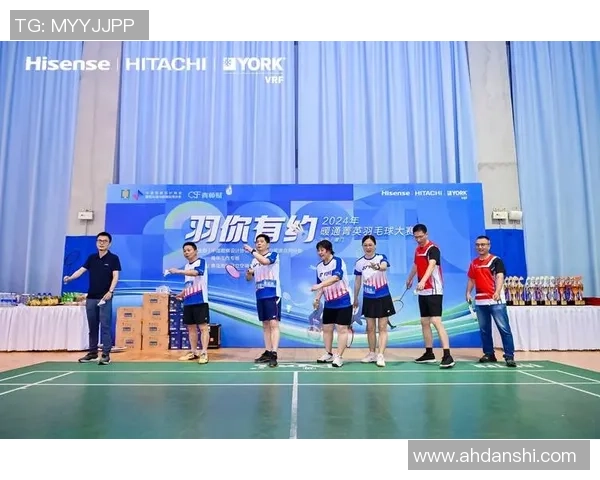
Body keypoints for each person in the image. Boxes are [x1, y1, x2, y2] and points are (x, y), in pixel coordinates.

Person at [64, 231, 121, 365]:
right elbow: (81, 270)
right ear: (96, 243)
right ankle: (92, 353)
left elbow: (115, 276)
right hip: (91, 297)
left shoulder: (113, 259)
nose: (102, 243)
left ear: (109, 244)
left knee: (105, 326)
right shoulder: (91, 258)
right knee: (92, 327)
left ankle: (106, 354)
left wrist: (110, 291)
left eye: (105, 241)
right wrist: (70, 278)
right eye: (99, 241)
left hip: (105, 298)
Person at [406, 223, 455, 368]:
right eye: (416, 237)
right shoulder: (417, 250)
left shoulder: (433, 249)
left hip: (434, 289)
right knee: (424, 321)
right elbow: (416, 265)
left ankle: (447, 355)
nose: (418, 239)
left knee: (436, 320)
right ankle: (429, 353)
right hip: (423, 291)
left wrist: (422, 281)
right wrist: (410, 278)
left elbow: (431, 266)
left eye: (421, 236)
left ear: (426, 234)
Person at [466, 235, 517, 367]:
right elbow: (471, 279)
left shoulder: (496, 261)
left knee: (504, 329)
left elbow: (500, 276)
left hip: (495, 301)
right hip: (480, 301)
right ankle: (489, 354)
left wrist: (497, 291)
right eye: (478, 245)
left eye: (483, 244)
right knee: (484, 330)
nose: (480, 247)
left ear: (489, 246)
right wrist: (468, 292)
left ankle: (509, 356)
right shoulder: (474, 263)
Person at [353, 234, 396, 367]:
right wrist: (355, 297)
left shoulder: (381, 257)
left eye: (370, 245)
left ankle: (380, 355)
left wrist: (377, 267)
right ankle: (372, 353)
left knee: (382, 327)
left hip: (383, 297)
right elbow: (357, 281)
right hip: (368, 298)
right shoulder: (359, 263)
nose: (368, 247)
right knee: (370, 328)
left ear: (375, 246)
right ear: (362, 246)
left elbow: (384, 266)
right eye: (365, 245)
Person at [311, 239, 353, 368]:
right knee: (327, 329)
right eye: (318, 250)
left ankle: (339, 356)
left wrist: (319, 285)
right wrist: (317, 299)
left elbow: (336, 278)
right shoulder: (319, 267)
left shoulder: (337, 261)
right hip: (329, 303)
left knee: (342, 329)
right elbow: (321, 286)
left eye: (322, 250)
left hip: (343, 301)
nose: (320, 253)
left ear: (329, 250)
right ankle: (329, 353)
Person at [168, 242, 210, 364]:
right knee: (191, 328)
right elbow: (189, 283)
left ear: (195, 251)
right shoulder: (187, 266)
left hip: (200, 300)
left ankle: (204, 353)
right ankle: (193, 352)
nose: (186, 252)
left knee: (203, 328)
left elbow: (197, 273)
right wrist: (182, 293)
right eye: (184, 251)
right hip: (188, 301)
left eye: (189, 250)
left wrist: (178, 271)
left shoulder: (201, 262)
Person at [244, 234, 281, 368]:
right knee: (265, 325)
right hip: (260, 295)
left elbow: (265, 262)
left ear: (267, 244)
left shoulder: (273, 255)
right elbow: (249, 278)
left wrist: (251, 251)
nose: (258, 244)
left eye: (261, 241)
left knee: (273, 324)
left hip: (272, 295)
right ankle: (268, 351)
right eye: (257, 242)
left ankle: (274, 354)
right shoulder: (254, 261)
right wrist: (249, 273)